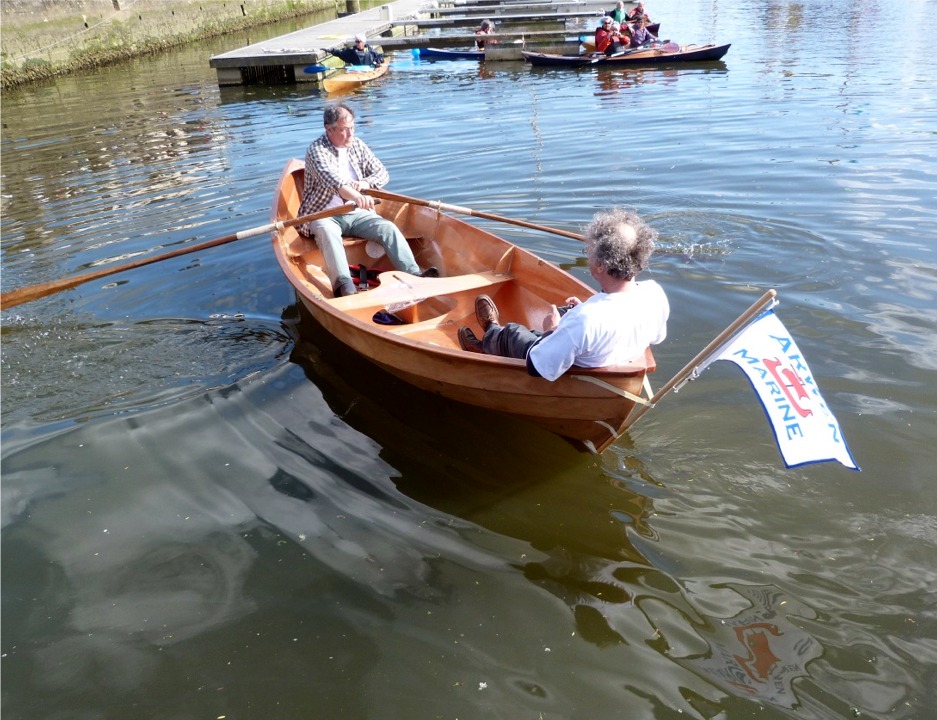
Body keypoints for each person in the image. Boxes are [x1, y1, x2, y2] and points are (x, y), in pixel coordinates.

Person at [457, 208, 669, 381]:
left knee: (512, 333)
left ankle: (489, 339)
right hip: (610, 353)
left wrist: (552, 331)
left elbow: (536, 367)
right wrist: (580, 314)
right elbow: (656, 337)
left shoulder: (587, 319)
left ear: (602, 265)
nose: (588, 258)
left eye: (589, 252)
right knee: (564, 315)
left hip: (573, 361)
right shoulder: (655, 293)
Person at [297, 104, 436, 298]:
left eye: (352, 127)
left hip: (356, 214)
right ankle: (344, 287)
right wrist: (357, 196)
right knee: (328, 234)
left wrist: (364, 183)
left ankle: (414, 275)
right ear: (329, 129)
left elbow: (382, 172)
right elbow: (335, 183)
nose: (350, 134)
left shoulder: (357, 145)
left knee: (388, 228)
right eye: (345, 129)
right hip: (324, 214)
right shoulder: (317, 150)